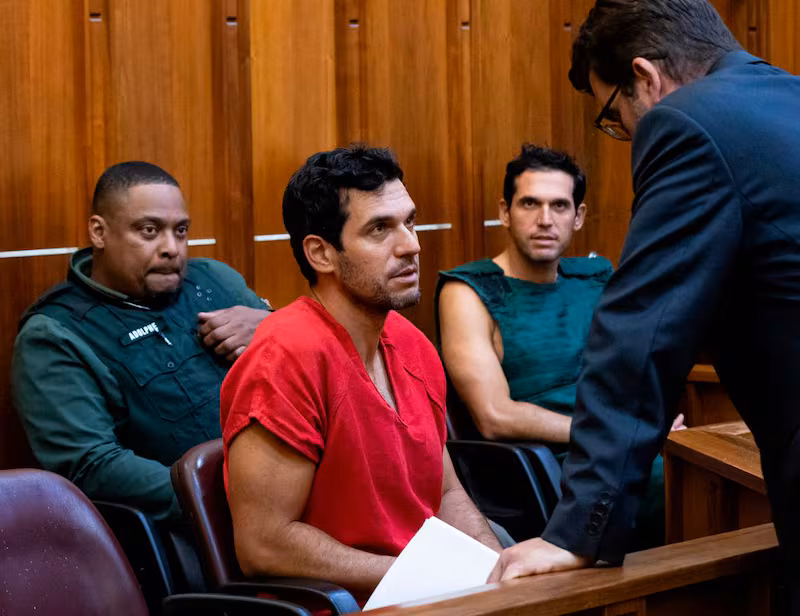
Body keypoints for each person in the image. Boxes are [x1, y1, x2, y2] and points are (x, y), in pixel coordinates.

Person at [488, 0, 800, 605]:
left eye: (615, 114)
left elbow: (641, 332)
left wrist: (579, 530)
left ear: (646, 77)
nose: (625, 132)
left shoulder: (687, 121)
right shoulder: (786, 94)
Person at [221, 145, 502, 600]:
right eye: (379, 229)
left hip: (427, 589)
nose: (411, 244)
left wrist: (493, 570)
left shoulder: (412, 342)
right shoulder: (284, 358)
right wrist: (420, 576)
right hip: (344, 603)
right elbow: (263, 544)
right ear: (321, 253)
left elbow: (445, 493)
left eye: (409, 221)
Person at [12, 161, 270, 522]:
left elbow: (314, 369)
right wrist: (230, 495)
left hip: (299, 485)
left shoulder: (215, 280)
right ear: (99, 232)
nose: (171, 248)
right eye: (149, 230)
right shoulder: (56, 334)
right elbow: (93, 467)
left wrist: (274, 327)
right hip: (205, 528)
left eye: (181, 231)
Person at [436, 144, 611, 445]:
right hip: (550, 466)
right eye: (530, 204)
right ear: (505, 212)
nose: (545, 220)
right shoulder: (468, 291)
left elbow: (637, 368)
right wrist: (610, 435)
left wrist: (648, 424)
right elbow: (494, 416)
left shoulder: (595, 278)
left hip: (626, 446)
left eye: (559, 205)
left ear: (578, 216)